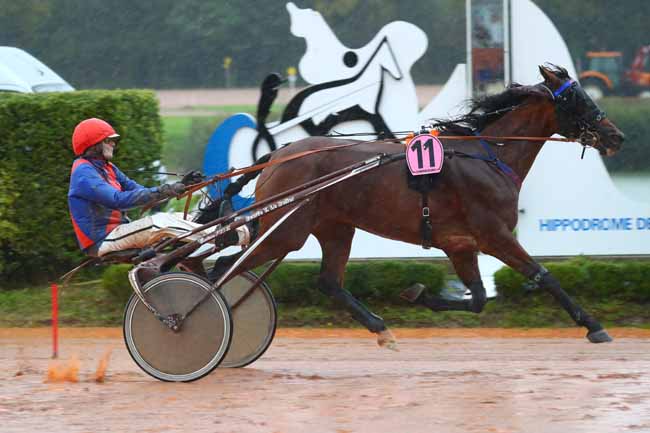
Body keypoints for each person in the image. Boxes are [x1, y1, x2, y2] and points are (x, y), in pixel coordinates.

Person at [68, 118, 249, 257]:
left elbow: (139, 191)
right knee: (158, 223)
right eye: (109, 140)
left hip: (117, 232)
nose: (113, 143)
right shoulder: (84, 172)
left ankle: (227, 229)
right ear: (94, 144)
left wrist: (181, 186)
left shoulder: (107, 167)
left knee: (180, 217)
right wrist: (165, 191)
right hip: (102, 240)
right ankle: (230, 235)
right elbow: (118, 200)